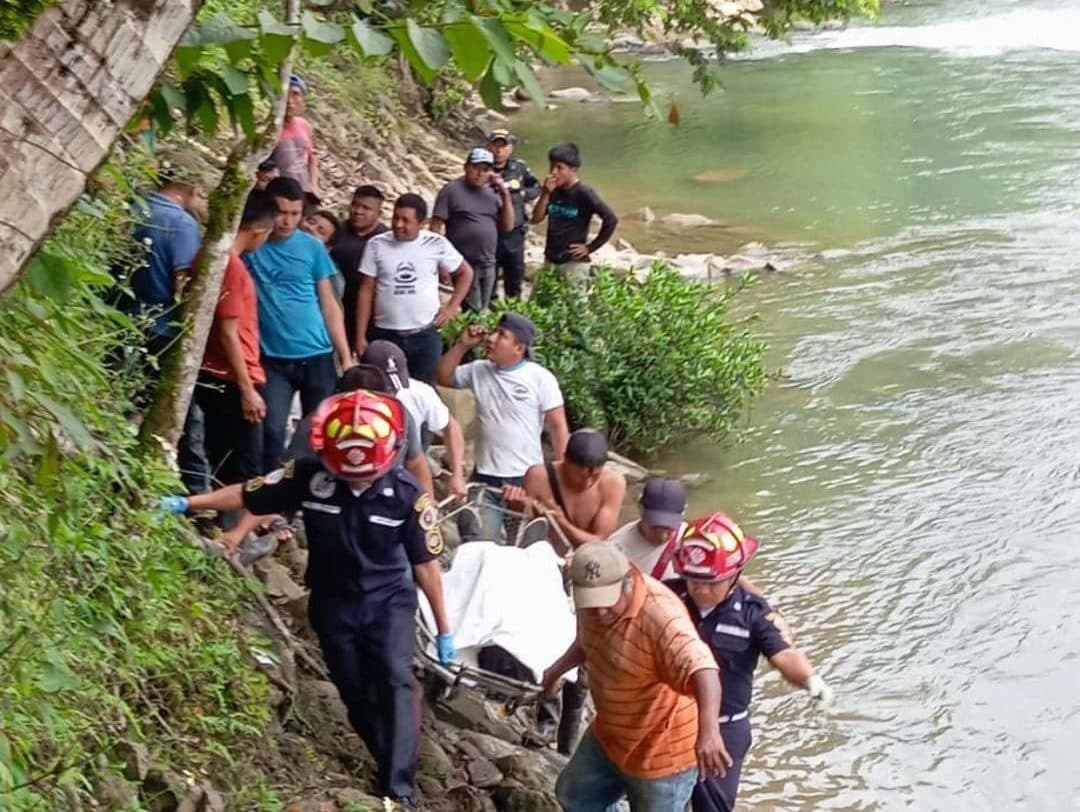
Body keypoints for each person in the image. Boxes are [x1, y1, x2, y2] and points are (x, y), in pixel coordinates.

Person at [159, 390, 454, 809]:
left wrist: (445, 629)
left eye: (365, 475)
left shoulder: (407, 496)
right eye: (348, 474)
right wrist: (186, 503)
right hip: (333, 603)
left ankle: (399, 789)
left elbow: (426, 566)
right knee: (353, 692)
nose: (356, 481)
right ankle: (386, 757)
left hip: (388, 602)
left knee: (395, 680)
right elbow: (250, 494)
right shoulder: (309, 476)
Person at [542, 541, 732, 811]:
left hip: (662, 753)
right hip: (611, 733)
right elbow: (587, 641)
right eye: (592, 603)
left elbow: (704, 668)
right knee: (574, 797)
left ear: (628, 579)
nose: (600, 612)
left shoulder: (661, 617)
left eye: (608, 602)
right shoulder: (591, 607)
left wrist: (709, 731)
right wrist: (555, 670)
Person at [668, 512, 833, 812]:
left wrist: (810, 679)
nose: (701, 590)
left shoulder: (752, 613)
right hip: (670, 719)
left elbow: (783, 654)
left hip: (725, 729)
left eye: (711, 583)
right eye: (694, 581)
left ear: (734, 575)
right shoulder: (669, 596)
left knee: (713, 807)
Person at [245, 176, 353, 472]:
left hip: (317, 354)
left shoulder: (312, 248)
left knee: (317, 432)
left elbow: (330, 304)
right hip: (272, 359)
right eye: (282, 212)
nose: (288, 221)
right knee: (272, 429)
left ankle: (304, 500)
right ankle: (266, 501)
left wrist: (344, 356)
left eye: (295, 214)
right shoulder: (251, 244)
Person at [436, 313, 569, 541]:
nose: (492, 338)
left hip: (527, 479)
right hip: (485, 478)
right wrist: (461, 345)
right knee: (479, 545)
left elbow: (558, 427)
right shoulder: (478, 370)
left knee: (525, 548)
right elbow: (442, 376)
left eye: (502, 335)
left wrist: (562, 478)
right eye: (494, 331)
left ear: (519, 348)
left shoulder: (540, 378)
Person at [127, 151, 211, 494]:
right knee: (183, 413)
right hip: (161, 327)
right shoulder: (182, 223)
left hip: (124, 318)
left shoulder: (134, 207)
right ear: (188, 189)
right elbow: (182, 283)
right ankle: (196, 492)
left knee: (126, 400)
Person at [194, 191, 275, 491]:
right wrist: (247, 389)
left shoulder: (208, 254)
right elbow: (228, 332)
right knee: (245, 468)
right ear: (258, 232)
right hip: (232, 377)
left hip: (219, 372)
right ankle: (233, 532)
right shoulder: (233, 268)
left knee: (224, 457)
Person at [355, 194, 473, 383]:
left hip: (425, 334)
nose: (398, 225)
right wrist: (360, 336)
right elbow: (366, 290)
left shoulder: (436, 243)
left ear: (421, 223)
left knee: (425, 389)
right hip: (385, 334)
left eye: (406, 220)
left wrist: (452, 307)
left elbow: (465, 273)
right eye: (395, 218)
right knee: (383, 389)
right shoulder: (376, 244)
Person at [360, 340, 467, 498]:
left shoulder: (420, 393)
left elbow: (450, 427)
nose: (392, 393)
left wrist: (457, 473)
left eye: (394, 388)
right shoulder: (348, 401)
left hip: (407, 468)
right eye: (386, 388)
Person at [504, 428, 625, 551]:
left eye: (595, 476)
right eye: (581, 476)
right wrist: (516, 505)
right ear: (565, 460)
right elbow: (522, 525)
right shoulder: (539, 477)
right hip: (542, 553)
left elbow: (599, 541)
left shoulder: (613, 484)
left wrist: (562, 523)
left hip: (584, 559)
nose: (588, 482)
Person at [430, 147, 514, 312]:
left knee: (483, 306)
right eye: (475, 168)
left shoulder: (492, 193)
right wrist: (441, 262)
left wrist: (505, 194)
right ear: (466, 167)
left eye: (485, 170)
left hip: (488, 262)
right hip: (464, 262)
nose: (480, 173)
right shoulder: (451, 190)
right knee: (474, 309)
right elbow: (436, 227)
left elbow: (508, 226)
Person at [530, 142, 618, 287]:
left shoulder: (584, 193)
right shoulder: (552, 190)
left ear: (573, 169)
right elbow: (535, 219)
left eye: (560, 168)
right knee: (542, 304)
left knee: (575, 306)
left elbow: (611, 219)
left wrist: (590, 247)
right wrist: (545, 193)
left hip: (573, 263)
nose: (554, 172)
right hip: (551, 258)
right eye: (552, 167)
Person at [331, 185, 389, 349]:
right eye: (355, 205)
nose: (358, 211)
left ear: (379, 213)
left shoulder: (386, 240)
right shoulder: (336, 233)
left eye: (366, 208)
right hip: (338, 309)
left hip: (374, 315)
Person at [487, 129, 540, 299]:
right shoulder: (482, 170)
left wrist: (524, 194)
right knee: (489, 281)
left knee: (515, 279)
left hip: (515, 234)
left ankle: (513, 317)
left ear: (511, 148)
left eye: (503, 146)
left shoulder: (519, 168)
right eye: (495, 146)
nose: (499, 151)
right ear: (489, 147)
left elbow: (536, 187)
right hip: (490, 233)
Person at [608, 477, 689, 580]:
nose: (662, 536)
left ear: (683, 512)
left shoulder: (692, 540)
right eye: (655, 528)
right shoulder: (616, 548)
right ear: (641, 510)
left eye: (669, 528)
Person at [270, 74, 319, 196]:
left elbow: (312, 157)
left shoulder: (305, 126)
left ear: (303, 99)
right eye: (285, 94)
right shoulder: (269, 130)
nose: (290, 101)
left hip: (304, 193)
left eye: (295, 94)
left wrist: (313, 185)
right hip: (279, 196)